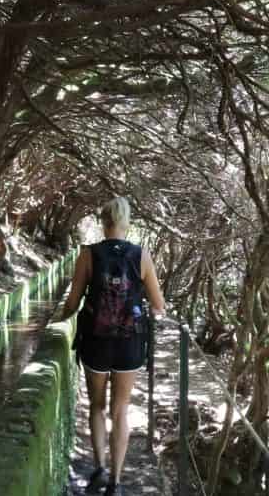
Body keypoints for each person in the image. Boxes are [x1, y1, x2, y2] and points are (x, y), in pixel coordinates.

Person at [57, 196, 166, 496]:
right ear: (127, 223)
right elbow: (159, 305)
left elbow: (72, 301)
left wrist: (57, 320)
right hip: (129, 344)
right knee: (121, 410)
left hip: (96, 340)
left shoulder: (88, 255)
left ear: (104, 223)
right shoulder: (141, 256)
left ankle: (99, 467)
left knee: (96, 406)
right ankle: (116, 482)